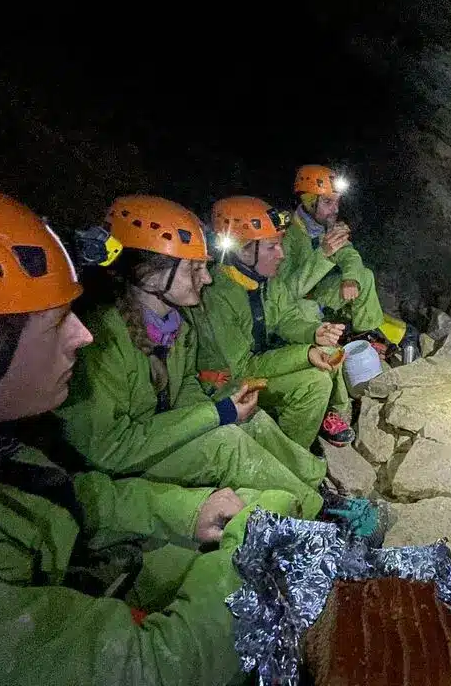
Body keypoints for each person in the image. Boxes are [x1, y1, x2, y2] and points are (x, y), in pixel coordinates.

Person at [0, 165, 295, 685]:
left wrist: (185, 510)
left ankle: (308, 508)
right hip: (94, 563)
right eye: (53, 322)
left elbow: (65, 496)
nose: (81, 335)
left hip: (88, 551)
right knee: (244, 477)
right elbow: (153, 669)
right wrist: (254, 542)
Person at [57, 194, 326, 518]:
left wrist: (221, 411)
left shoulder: (175, 326)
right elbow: (107, 449)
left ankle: (313, 485)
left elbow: (184, 388)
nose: (208, 277)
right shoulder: (101, 339)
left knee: (251, 420)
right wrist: (215, 416)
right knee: (226, 445)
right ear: (151, 275)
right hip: (110, 470)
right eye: (194, 269)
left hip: (151, 437)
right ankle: (315, 513)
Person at [191, 195, 354, 448]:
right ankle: (290, 459)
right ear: (242, 249)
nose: (281, 254)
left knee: (328, 354)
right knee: (315, 383)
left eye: (279, 244)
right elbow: (241, 369)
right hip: (226, 384)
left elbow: (286, 316)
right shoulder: (218, 295)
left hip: (258, 363)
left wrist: (314, 332)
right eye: (271, 247)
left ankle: (303, 439)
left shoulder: (264, 277)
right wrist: (305, 353)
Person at [277, 165, 393, 341]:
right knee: (305, 310)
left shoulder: (326, 226)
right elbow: (285, 293)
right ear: (309, 201)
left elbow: (349, 254)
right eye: (328, 202)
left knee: (364, 276)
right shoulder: (284, 235)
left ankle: (365, 335)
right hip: (292, 304)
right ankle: (319, 346)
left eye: (337, 202)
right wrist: (323, 254)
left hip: (319, 293)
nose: (336, 209)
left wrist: (350, 278)